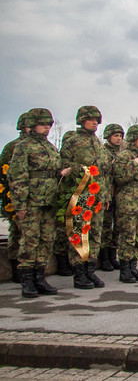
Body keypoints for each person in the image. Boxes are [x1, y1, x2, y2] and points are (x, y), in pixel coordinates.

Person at [8, 108, 70, 298]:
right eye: (42, 124)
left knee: (46, 239)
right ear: (32, 125)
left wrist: (63, 172)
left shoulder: (50, 147)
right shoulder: (23, 147)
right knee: (30, 239)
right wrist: (20, 205)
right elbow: (17, 176)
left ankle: (39, 277)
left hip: (49, 201)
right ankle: (27, 279)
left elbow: (54, 170)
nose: (46, 128)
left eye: (48, 124)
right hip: (32, 201)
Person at [60, 106, 111, 289]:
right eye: (91, 119)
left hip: (97, 196)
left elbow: (103, 172)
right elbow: (64, 164)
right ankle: (79, 273)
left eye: (97, 119)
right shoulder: (73, 141)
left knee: (95, 234)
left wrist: (105, 196)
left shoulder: (98, 143)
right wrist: (77, 170)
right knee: (80, 233)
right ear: (82, 120)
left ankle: (90, 270)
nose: (95, 122)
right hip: (81, 194)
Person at [112, 125, 138, 283]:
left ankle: (133, 266)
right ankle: (125, 269)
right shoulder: (124, 157)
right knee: (127, 236)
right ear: (132, 139)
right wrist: (133, 165)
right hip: (128, 202)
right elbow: (119, 178)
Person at [0, 111, 29, 283]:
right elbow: (4, 172)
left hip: (35, 196)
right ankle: (15, 264)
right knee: (17, 232)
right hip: (15, 195)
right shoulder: (13, 146)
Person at [99, 123, 124, 272]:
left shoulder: (122, 153)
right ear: (108, 136)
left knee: (117, 228)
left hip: (119, 193)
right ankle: (104, 258)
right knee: (106, 226)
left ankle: (113, 256)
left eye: (120, 136)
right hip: (107, 192)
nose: (118, 138)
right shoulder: (104, 152)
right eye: (115, 135)